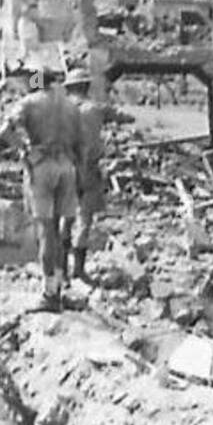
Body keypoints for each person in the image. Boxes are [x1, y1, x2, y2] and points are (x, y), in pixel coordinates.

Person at [2, 68, 82, 311]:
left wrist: (24, 149)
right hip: (68, 167)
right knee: (58, 229)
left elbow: (4, 130)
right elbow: (81, 142)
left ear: (36, 82)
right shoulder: (71, 106)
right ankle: (58, 287)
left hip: (43, 167)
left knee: (46, 230)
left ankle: (49, 295)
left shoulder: (29, 102)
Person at [63, 68, 132, 284]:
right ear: (86, 87)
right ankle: (79, 270)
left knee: (64, 218)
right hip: (89, 169)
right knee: (84, 218)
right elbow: (125, 117)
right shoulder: (95, 108)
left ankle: (62, 270)